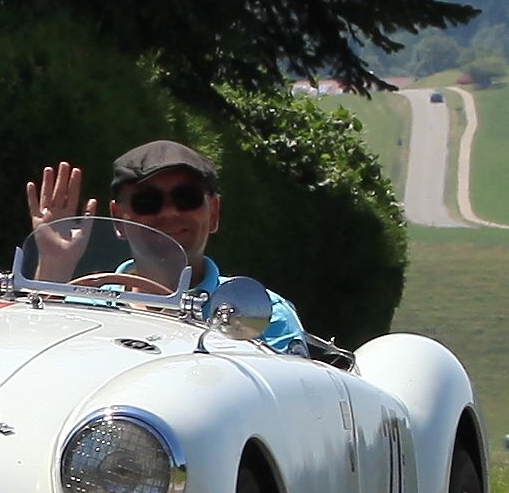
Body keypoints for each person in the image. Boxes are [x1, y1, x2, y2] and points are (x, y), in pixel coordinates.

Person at [25, 140, 307, 354]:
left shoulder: (262, 314)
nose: (170, 213)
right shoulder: (82, 305)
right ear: (117, 219)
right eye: (147, 201)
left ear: (214, 213)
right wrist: (53, 266)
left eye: (187, 198)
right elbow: (32, 366)